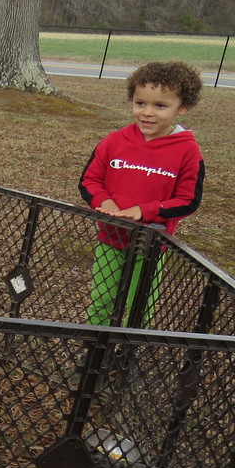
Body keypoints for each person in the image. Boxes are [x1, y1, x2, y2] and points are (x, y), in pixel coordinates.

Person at [79, 60, 205, 327]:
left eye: (160, 106)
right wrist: (106, 202)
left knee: (141, 303)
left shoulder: (187, 151)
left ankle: (127, 355)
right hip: (111, 237)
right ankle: (92, 354)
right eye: (140, 103)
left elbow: (188, 200)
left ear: (182, 107)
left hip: (151, 242)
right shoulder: (113, 141)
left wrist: (143, 211)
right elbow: (89, 181)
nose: (147, 112)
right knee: (102, 300)